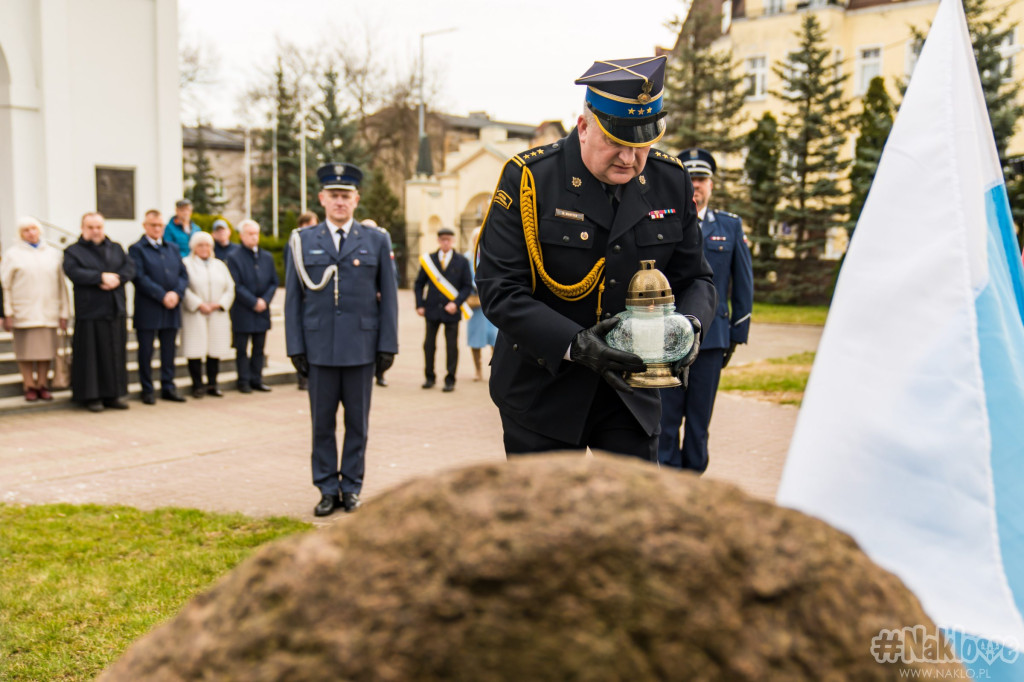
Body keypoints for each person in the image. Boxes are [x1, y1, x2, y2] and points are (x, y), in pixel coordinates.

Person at [475, 56, 717, 461]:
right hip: (543, 390)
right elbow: (499, 290)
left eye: (641, 144)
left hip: (632, 395)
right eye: (617, 142)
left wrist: (689, 328)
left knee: (630, 521)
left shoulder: (669, 180)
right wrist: (576, 344)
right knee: (547, 522)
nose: (629, 158)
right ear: (584, 126)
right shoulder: (530, 179)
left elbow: (697, 279)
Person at [284, 162, 399, 516]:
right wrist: (295, 347)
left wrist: (387, 345)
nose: (339, 202)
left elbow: (390, 298)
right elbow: (293, 299)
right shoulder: (303, 241)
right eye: (333, 195)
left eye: (345, 196)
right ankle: (325, 488)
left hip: (361, 349)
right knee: (321, 424)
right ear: (321, 198)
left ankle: (350, 488)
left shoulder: (376, 240)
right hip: (318, 350)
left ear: (356, 199)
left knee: (356, 424)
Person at [658, 149, 754, 472]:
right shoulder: (663, 223)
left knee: (699, 425)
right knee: (666, 423)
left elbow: (742, 285)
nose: (695, 185)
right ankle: (670, 483)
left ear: (711, 184)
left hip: (712, 342)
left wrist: (736, 336)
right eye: (689, 178)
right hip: (668, 342)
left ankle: (694, 480)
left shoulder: (729, 227)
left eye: (701, 179)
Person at [62, 212, 135, 411]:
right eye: (91, 227)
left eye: (99, 227)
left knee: (115, 355)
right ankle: (91, 397)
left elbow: (129, 268)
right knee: (91, 357)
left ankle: (114, 395)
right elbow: (73, 272)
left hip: (114, 309)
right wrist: (100, 277)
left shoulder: (116, 248)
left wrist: (116, 279)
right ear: (82, 228)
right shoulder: (73, 251)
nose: (95, 231)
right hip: (90, 311)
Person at [0, 217, 70, 401]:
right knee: (25, 352)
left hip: (48, 312)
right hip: (23, 312)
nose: (31, 233)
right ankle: (28, 385)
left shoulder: (53, 253)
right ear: (20, 234)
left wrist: (64, 312)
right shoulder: (12, 254)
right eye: (26, 230)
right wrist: (7, 312)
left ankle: (42, 384)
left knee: (46, 352)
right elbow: (5, 285)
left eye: (33, 229)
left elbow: (61, 285)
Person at [129, 209, 189, 404]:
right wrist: (162, 295)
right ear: (145, 226)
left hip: (171, 308)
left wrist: (176, 294)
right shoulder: (137, 249)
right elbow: (139, 277)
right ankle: (147, 389)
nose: (157, 229)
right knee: (146, 351)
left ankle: (168, 386)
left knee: (169, 351)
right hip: (149, 308)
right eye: (153, 225)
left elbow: (183, 274)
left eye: (160, 225)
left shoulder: (172, 248)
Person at [414, 227, 473, 392]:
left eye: (448, 239)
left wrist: (457, 303)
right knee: (429, 345)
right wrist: (419, 304)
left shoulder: (461, 261)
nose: (445, 242)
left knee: (451, 346)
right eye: (442, 239)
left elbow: (467, 286)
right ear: (438, 241)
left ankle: (450, 379)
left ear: (453, 240)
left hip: (452, 311)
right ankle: (429, 377)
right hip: (432, 309)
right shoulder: (429, 260)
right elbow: (419, 284)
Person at [181, 231, 235, 398]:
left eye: (207, 245)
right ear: (194, 247)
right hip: (196, 313)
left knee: (214, 349)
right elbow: (183, 287)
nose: (204, 248)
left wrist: (220, 304)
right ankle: (197, 385)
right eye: (200, 245)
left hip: (216, 313)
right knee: (195, 349)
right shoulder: (186, 264)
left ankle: (212, 384)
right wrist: (198, 304)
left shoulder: (219, 265)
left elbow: (230, 287)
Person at [226, 219, 278, 394]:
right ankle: (243, 380)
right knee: (242, 349)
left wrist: (264, 300)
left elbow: (273, 282)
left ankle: (257, 379)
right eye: (250, 233)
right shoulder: (234, 257)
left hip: (262, 310)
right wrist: (253, 302)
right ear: (241, 236)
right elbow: (235, 284)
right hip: (243, 310)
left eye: (256, 233)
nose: (254, 237)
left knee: (259, 348)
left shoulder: (266, 257)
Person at [361, 217, 398, 387]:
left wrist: (382, 291)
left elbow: (391, 275)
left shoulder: (382, 246)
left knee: (380, 339)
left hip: (380, 304)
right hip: (364, 305)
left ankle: (380, 373)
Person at [464, 226, 497, 382]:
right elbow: (463, 278)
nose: (478, 240)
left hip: (492, 303)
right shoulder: (467, 258)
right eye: (475, 238)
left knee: (495, 337)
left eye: (480, 237)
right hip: (475, 304)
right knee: (475, 338)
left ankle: (495, 370)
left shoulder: (492, 256)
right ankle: (478, 370)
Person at [293, 211, 320, 391]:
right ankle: (302, 376)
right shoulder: (296, 242)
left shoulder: (319, 240)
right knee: (302, 341)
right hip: (304, 300)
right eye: (308, 224)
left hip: (316, 302)